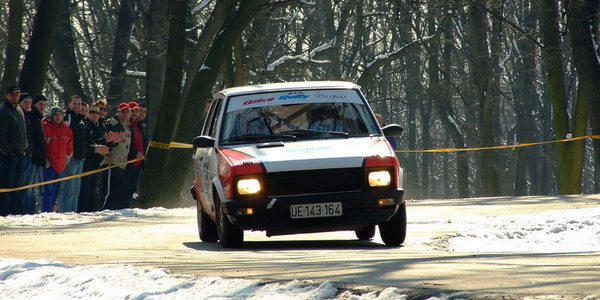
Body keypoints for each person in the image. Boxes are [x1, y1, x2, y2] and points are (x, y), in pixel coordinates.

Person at [78, 104, 113, 212]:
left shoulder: (100, 126)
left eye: (97, 113)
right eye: (92, 112)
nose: (95, 115)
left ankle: (92, 211)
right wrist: (104, 141)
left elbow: (102, 144)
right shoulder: (85, 125)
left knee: (94, 190)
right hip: (86, 162)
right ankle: (83, 211)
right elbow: (87, 144)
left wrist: (111, 142)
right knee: (85, 190)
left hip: (97, 162)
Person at [0, 85, 28, 216]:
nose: (15, 97)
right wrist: (8, 151)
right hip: (9, 155)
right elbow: (1, 134)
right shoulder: (3, 111)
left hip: (20, 153)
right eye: (12, 95)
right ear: (7, 95)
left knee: (17, 184)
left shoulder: (19, 110)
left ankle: (15, 211)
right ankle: (4, 211)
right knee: (7, 183)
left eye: (17, 94)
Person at [40, 106, 73, 213]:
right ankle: (46, 211)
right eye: (55, 115)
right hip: (49, 164)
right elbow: (41, 146)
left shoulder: (66, 129)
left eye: (60, 115)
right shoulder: (45, 127)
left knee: (56, 191)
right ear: (51, 116)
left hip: (61, 165)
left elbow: (69, 145)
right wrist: (44, 160)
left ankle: (52, 212)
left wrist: (67, 157)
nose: (58, 117)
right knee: (47, 191)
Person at [101, 103, 131, 210]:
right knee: (109, 190)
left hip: (121, 161)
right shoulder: (112, 123)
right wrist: (109, 153)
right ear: (118, 112)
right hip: (112, 161)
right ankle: (105, 209)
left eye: (127, 112)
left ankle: (114, 209)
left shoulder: (126, 125)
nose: (125, 114)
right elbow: (106, 140)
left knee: (118, 189)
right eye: (123, 112)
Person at [60, 95, 87, 212]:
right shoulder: (67, 118)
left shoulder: (81, 121)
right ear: (69, 104)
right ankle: (65, 213)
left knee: (76, 192)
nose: (77, 106)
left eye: (79, 104)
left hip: (80, 159)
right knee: (68, 191)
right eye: (74, 103)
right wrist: (66, 155)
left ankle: (73, 213)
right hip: (71, 159)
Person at [123, 101, 145, 207]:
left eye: (137, 111)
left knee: (132, 187)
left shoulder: (139, 124)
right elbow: (126, 144)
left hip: (138, 162)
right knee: (125, 187)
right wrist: (134, 153)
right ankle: (123, 206)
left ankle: (128, 206)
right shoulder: (127, 124)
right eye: (132, 111)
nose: (135, 113)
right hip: (128, 160)